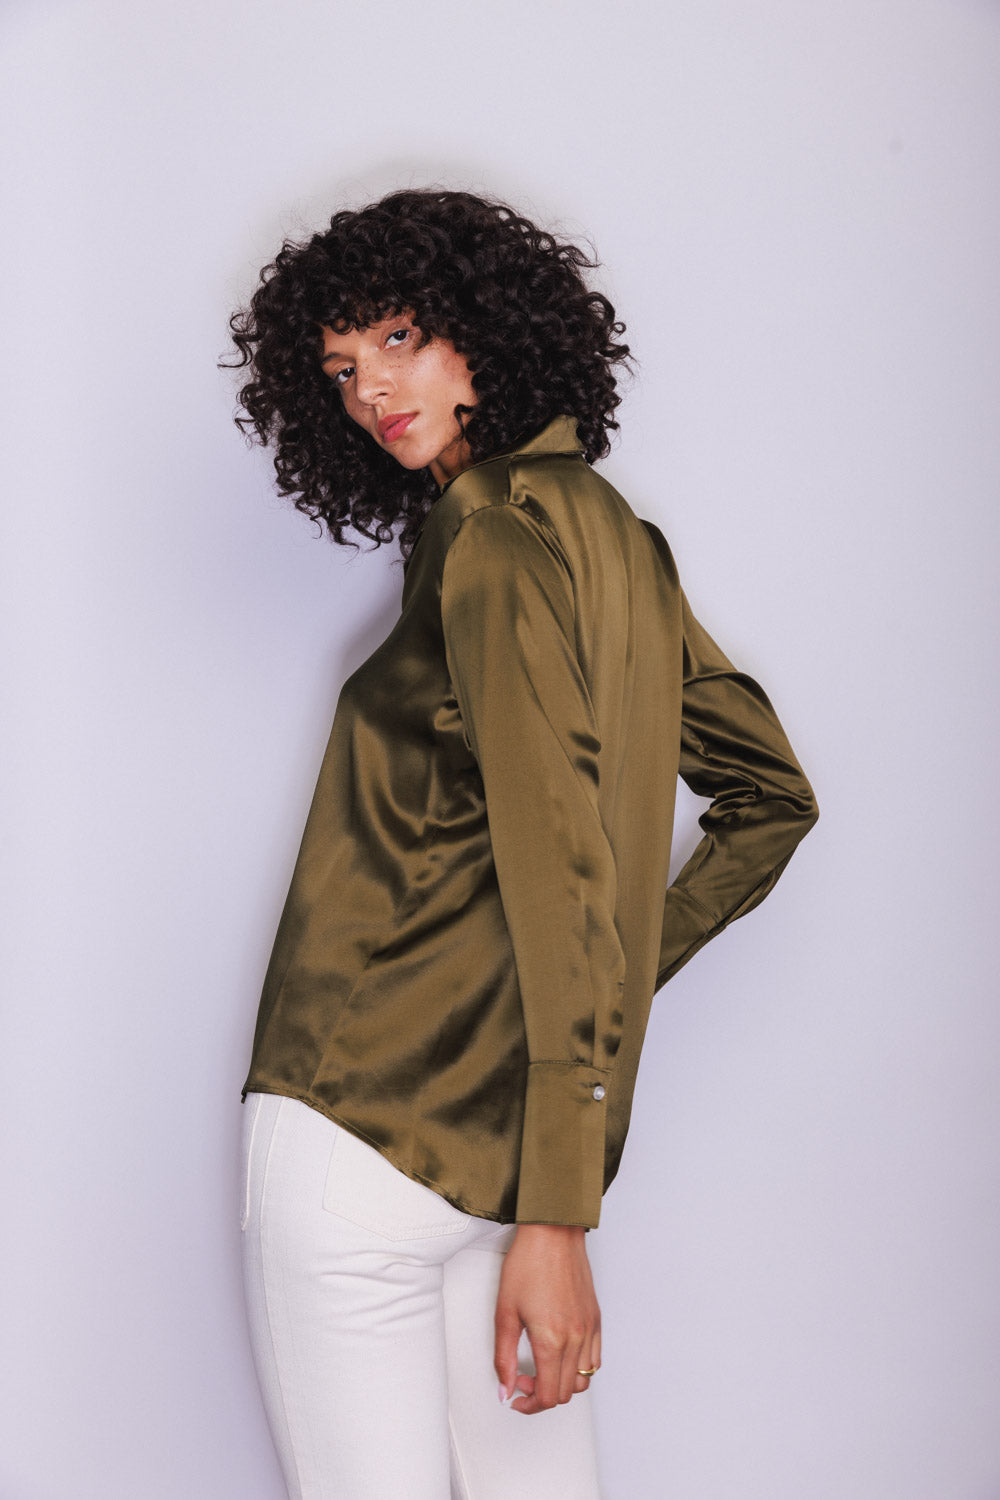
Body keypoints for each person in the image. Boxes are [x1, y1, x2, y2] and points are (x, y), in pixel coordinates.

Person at [224, 188, 818, 1500]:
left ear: (486, 331)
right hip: (488, 1157)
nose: (371, 389)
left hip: (363, 1133)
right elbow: (769, 798)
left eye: (397, 338)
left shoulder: (489, 538)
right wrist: (597, 1000)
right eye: (339, 370)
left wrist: (560, 1213)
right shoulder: (618, 540)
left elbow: (564, 871)